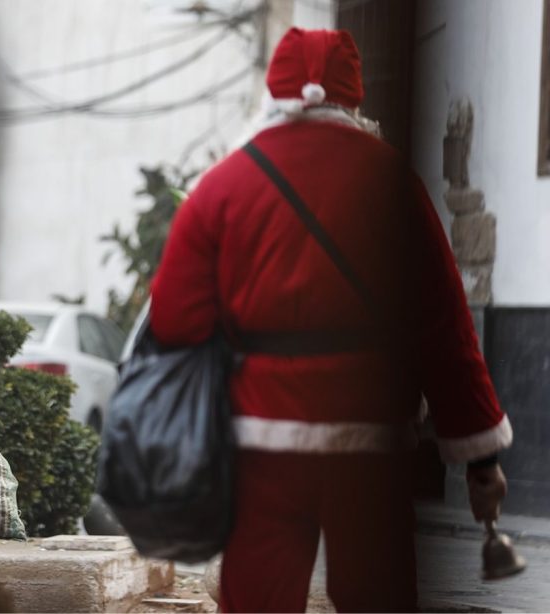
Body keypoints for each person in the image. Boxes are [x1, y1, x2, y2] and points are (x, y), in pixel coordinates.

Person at [150, 28, 511, 612]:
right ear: (354, 100)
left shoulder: (223, 187)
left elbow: (173, 321)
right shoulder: (396, 182)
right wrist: (482, 459)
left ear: (276, 94)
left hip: (261, 444)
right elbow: (446, 328)